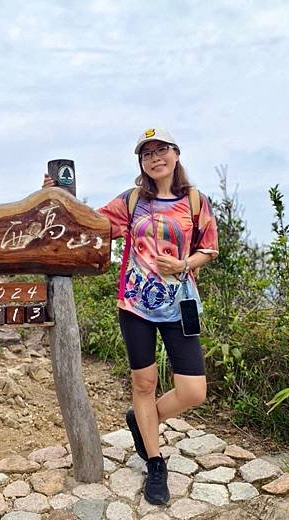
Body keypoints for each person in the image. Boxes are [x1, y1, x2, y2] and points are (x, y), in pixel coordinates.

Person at [43, 128, 218, 505]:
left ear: (176, 154)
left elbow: (210, 249)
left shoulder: (195, 201)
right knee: (144, 384)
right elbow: (87, 221)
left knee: (193, 391)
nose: (155, 157)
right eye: (147, 153)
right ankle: (155, 462)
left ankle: (141, 420)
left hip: (180, 305)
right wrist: (54, 195)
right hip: (135, 306)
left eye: (162, 150)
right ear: (141, 161)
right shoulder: (132, 200)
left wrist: (184, 263)